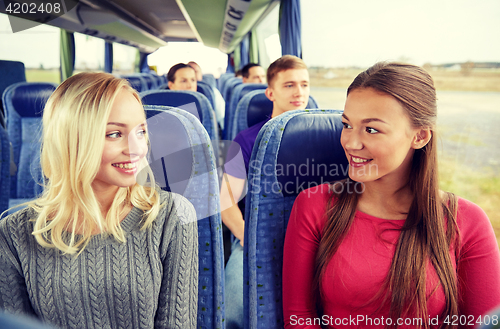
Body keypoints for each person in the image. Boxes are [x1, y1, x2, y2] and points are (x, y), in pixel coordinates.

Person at [282, 62, 500, 328]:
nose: (350, 143)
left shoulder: (467, 221)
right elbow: (299, 317)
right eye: (347, 125)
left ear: (419, 137)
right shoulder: (313, 205)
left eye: (371, 129)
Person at [0, 73, 199, 329]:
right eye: (114, 134)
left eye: (141, 131)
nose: (136, 148)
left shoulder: (173, 215)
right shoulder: (13, 235)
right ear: (72, 141)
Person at [221, 55, 310, 329]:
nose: (299, 92)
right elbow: (225, 201)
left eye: (305, 85)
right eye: (289, 85)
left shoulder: (325, 135)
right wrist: (247, 236)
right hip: (256, 234)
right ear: (270, 92)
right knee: (234, 308)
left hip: (315, 238)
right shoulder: (247, 140)